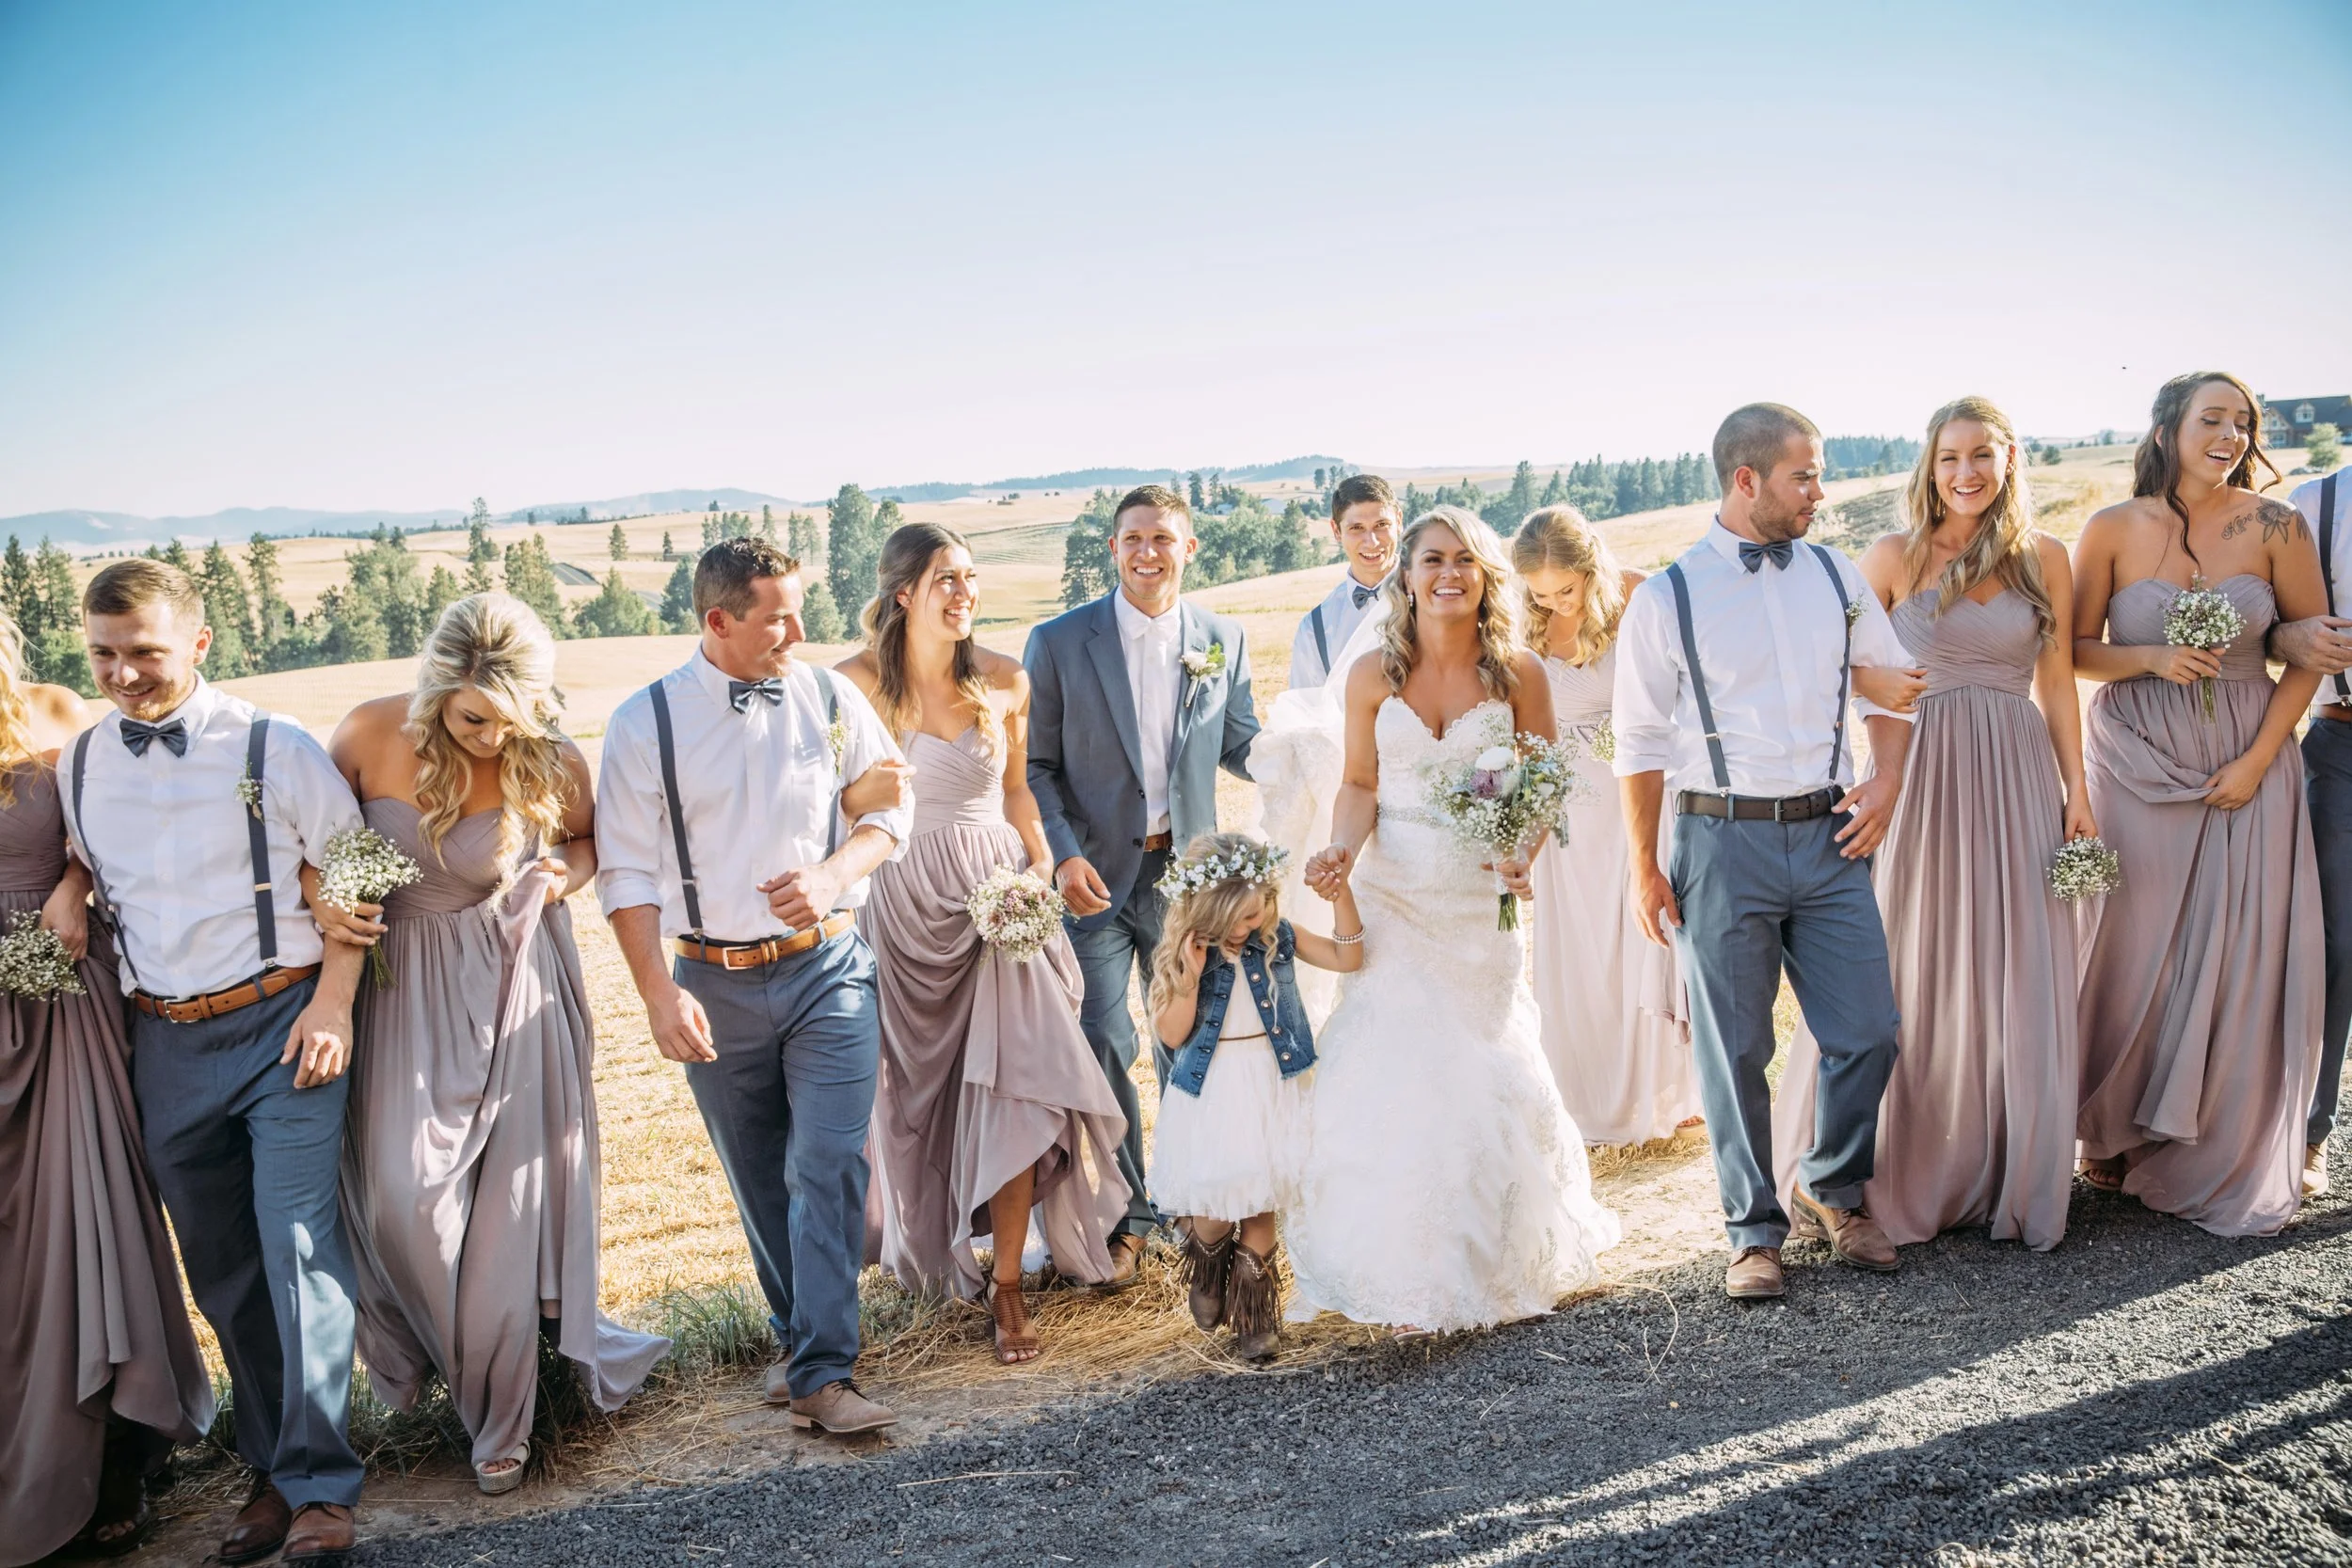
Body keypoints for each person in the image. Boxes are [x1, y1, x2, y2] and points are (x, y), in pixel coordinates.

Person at [321, 593, 669, 1492]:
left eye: (507, 719)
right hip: (402, 997)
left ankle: (503, 1418)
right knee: (405, 1200)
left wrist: (561, 873)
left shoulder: (550, 757)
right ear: (438, 687)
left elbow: (590, 841)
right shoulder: (363, 736)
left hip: (518, 987)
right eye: (473, 715)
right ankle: (461, 1369)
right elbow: (313, 854)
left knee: (510, 1217)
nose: (488, 736)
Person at [60, 559, 367, 1567]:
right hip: (165, 1043)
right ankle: (274, 1469)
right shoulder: (80, 764)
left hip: (284, 1024)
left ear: (196, 642)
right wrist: (68, 883)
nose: (122, 674)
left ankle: (323, 1484)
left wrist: (333, 1001)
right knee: (225, 1272)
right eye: (104, 654)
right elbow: (94, 867)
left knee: (296, 1247)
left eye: (143, 651)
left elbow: (363, 863)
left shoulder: (272, 744)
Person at [596, 538, 913, 1434]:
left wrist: (835, 869)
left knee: (829, 1161)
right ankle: (798, 1337)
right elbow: (624, 875)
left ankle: (822, 1370)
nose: (800, 628)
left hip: (829, 968)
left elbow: (891, 806)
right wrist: (659, 993)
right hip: (712, 978)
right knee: (759, 1174)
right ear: (719, 621)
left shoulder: (829, 694)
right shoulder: (642, 723)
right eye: (779, 613)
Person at [1613, 403, 1922, 1303]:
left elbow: (1895, 685)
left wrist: (1888, 781)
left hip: (1831, 836)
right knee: (1736, 1047)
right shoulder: (1668, 595)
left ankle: (1833, 1184)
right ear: (1747, 481)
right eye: (1805, 476)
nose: (1819, 493)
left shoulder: (1835, 576)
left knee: (1869, 1032)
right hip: (1718, 839)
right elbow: (1638, 744)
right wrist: (1644, 864)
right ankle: (1753, 1232)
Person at [1285, 505, 1620, 1332]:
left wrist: (1523, 854)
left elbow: (1540, 785)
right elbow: (1360, 784)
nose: (1449, 573)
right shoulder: (1373, 674)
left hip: (1478, 904)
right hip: (1396, 897)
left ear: (1487, 575)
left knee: (1478, 1065)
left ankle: (1491, 1260)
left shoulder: (1518, 674)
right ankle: (1404, 1269)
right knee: (1396, 1061)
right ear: (1406, 574)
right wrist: (1339, 851)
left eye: (1466, 560)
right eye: (1433, 558)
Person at [1768, 396, 2090, 1252]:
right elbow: (1828, 666)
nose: (1966, 473)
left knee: (2011, 956)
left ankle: (1997, 1170)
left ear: (2010, 458)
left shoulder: (2045, 558)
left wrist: (2079, 794)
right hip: (1915, 771)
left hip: (2017, 772)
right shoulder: (1892, 556)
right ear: (1929, 466)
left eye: (1982, 454)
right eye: (1950, 458)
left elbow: (2057, 685)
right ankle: (1870, 1170)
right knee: (1911, 953)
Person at [836, 523, 1132, 1363]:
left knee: (1015, 1083)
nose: (965, 593)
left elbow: (1017, 795)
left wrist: (1039, 865)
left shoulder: (1005, 678)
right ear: (903, 593)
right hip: (903, 902)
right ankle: (940, 1264)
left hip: (998, 904)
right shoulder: (848, 690)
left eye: (970, 578)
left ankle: (1007, 1286)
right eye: (945, 579)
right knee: (918, 1103)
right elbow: (833, 803)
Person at [2071, 372, 2326, 1236]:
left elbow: (2311, 651)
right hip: (2136, 758)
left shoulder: (2276, 525)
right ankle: (2109, 1129)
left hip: (2247, 755)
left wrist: (2260, 760)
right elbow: (2072, 650)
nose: (2228, 433)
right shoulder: (2111, 527)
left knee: (2237, 944)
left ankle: (2212, 1136)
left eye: (2242, 421)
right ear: (2168, 426)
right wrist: (2150, 660)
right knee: (2133, 944)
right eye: (2211, 418)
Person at [0, 613, 214, 1564]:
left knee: (90, 1219)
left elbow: (117, 816)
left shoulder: (55, 712)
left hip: (68, 1007)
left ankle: (120, 1444)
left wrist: (74, 883)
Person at [1023, 484, 1261, 1289]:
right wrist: (1060, 855)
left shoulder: (1222, 639)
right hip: (1091, 876)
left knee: (1186, 1042)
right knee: (1105, 1040)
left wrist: (1319, 758)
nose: (1147, 551)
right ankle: (1132, 1213)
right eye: (1133, 537)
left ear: (1188, 548)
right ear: (1114, 547)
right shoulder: (1058, 641)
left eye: (1163, 537)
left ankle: (1194, 1203)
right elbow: (1039, 766)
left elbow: (1242, 745)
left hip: (1184, 877)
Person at [1512, 504, 1701, 1145]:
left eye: (1566, 589)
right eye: (1541, 594)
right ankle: (1587, 1093)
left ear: (1592, 567)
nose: (1555, 604)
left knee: (1645, 937)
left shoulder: (1643, 595)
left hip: (1640, 796)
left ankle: (1669, 1090)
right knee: (1583, 949)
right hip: (1568, 812)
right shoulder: (1524, 623)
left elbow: (1690, 695)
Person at [1147, 832, 1362, 1361]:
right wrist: (1193, 978)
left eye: (1260, 911)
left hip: (1272, 1082)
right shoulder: (1188, 954)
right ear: (1211, 912)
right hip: (1214, 1088)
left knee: (1262, 1203)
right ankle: (1207, 1259)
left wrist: (1342, 898)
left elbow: (1346, 958)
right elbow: (1172, 1036)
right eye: (1243, 918)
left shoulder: (1279, 938)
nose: (1253, 926)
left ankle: (1256, 1316)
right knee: (1219, 1203)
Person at [2280, 456, 2352, 1199]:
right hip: (2342, 744)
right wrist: (2294, 637)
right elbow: (2269, 629)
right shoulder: (2316, 502)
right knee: (2336, 943)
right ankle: (2309, 1131)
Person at [1289, 474, 1401, 690]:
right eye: (1356, 528)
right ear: (1336, 531)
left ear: (1399, 521)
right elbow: (1306, 713)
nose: (1372, 542)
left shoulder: (1432, 600)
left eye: (1381, 524)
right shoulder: (1315, 627)